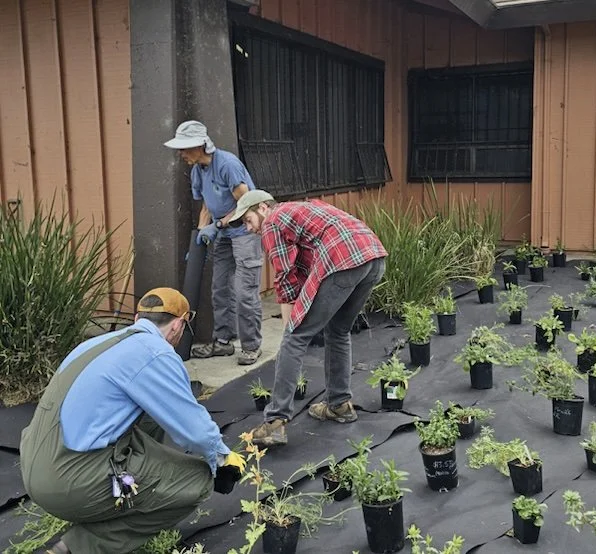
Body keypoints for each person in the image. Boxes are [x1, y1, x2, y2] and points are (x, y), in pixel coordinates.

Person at [20, 288, 245, 554]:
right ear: (178, 325)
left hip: (34, 464)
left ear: (138, 318)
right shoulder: (156, 353)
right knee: (195, 483)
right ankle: (77, 547)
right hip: (66, 480)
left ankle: (122, 494)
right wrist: (222, 458)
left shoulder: (96, 344)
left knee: (149, 410)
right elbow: (195, 430)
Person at [228, 190, 387, 446]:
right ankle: (340, 405)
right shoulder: (299, 209)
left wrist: (290, 327)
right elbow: (305, 269)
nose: (248, 229)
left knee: (294, 338)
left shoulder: (273, 221)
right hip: (373, 255)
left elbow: (285, 276)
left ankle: (275, 422)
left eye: (247, 220)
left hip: (344, 257)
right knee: (338, 331)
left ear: (262, 208)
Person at [164, 120, 263, 365]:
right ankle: (223, 342)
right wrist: (199, 239)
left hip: (244, 232)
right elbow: (207, 206)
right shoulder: (198, 171)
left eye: (184, 148)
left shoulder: (227, 165)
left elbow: (246, 204)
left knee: (244, 291)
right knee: (219, 289)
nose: (181, 154)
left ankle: (251, 346)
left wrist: (217, 226)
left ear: (200, 146)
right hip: (223, 233)